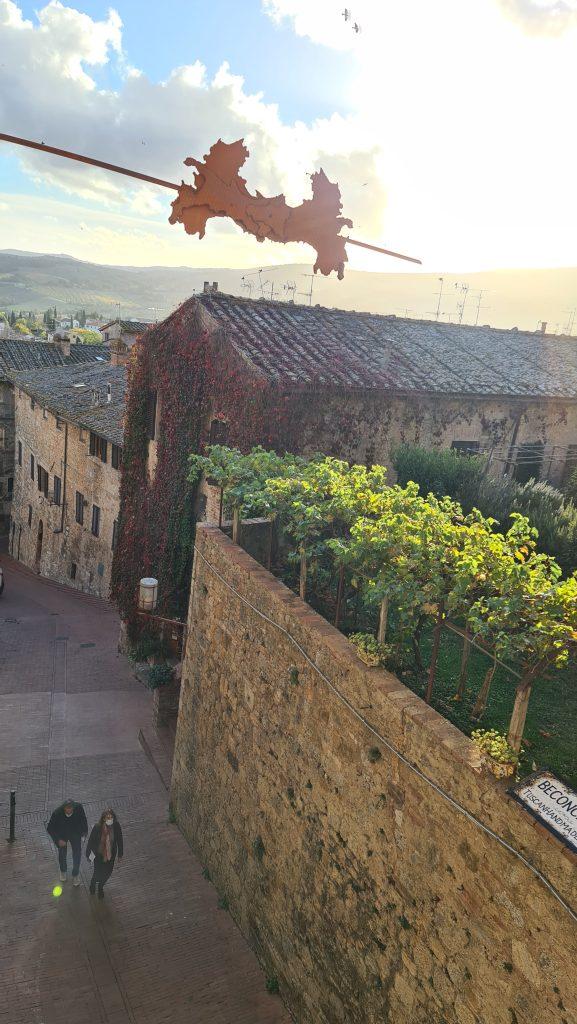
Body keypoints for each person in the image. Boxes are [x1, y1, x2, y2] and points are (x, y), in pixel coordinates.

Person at [46, 798, 88, 886]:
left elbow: (83, 819)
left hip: (75, 832)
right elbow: (50, 828)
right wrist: (58, 840)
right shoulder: (57, 813)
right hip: (62, 834)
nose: (69, 810)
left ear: (73, 807)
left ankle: (75, 874)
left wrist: (84, 831)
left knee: (77, 853)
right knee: (62, 853)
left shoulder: (79, 807)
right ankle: (63, 870)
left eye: (71, 808)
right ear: (64, 808)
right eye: (67, 808)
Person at [86, 808, 123, 899]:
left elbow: (119, 840)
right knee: (97, 873)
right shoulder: (97, 827)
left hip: (110, 855)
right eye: (108, 817)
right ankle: (93, 883)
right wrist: (88, 854)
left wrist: (120, 854)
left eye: (111, 817)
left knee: (107, 873)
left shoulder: (116, 826)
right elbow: (91, 841)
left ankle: (101, 886)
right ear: (103, 818)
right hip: (99, 855)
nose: (110, 819)